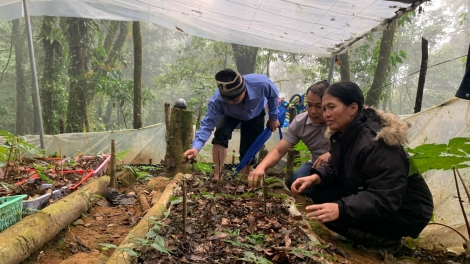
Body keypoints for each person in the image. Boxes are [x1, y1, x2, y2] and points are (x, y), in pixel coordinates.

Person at [291, 82, 433, 252]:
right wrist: (316, 177)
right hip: (376, 196)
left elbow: (385, 198)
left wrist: (341, 208)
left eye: (331, 107)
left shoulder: (376, 143)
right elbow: (338, 166)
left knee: (333, 216)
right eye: (324, 109)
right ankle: (367, 232)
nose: (326, 114)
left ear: (352, 108)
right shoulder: (346, 133)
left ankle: (388, 242)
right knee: (319, 193)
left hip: (406, 210)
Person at [184, 69, 280, 181]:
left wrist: (273, 118)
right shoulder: (218, 101)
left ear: (243, 90)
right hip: (230, 114)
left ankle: (244, 179)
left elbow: (274, 95)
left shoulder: (261, 83)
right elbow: (207, 124)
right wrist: (196, 147)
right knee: (220, 134)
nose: (230, 102)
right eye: (227, 100)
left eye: (234, 99)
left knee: (249, 146)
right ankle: (217, 176)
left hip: (255, 113)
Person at [248, 80, 331, 187]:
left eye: (318, 106)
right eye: (309, 105)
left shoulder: (340, 120)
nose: (313, 111)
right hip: (316, 164)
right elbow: (278, 150)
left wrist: (332, 155)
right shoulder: (300, 122)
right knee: (297, 181)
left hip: (342, 165)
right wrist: (261, 167)